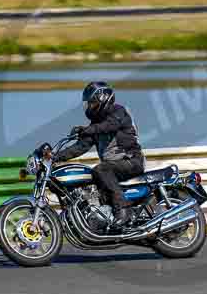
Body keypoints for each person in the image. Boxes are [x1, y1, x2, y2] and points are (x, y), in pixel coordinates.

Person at [53, 81, 145, 227]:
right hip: (115, 166)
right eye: (88, 104)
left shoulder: (119, 112)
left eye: (93, 103)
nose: (90, 107)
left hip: (131, 160)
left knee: (101, 169)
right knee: (95, 177)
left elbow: (109, 126)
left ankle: (123, 209)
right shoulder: (96, 124)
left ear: (103, 99)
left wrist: (86, 130)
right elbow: (80, 147)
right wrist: (54, 156)